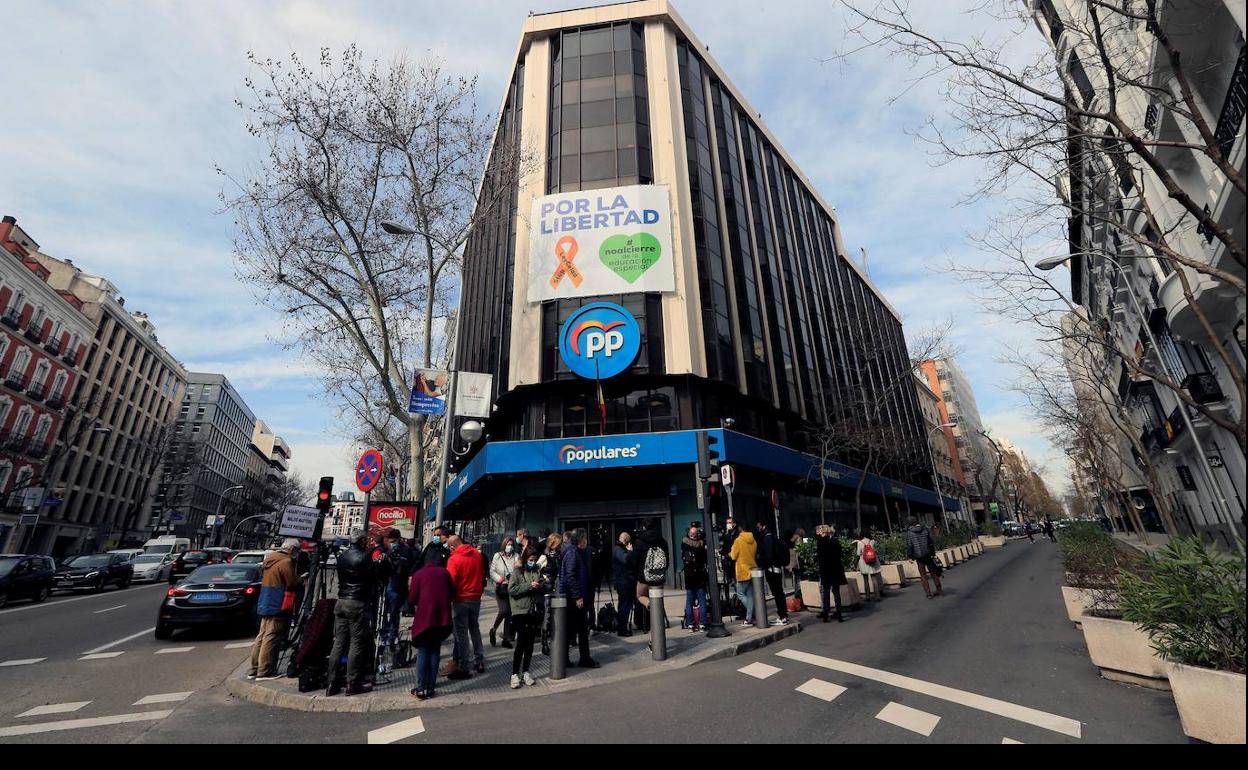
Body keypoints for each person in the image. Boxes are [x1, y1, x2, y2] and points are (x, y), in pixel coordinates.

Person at [327, 531, 379, 696]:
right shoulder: (363, 558)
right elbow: (372, 578)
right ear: (362, 541)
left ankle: (332, 682)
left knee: (339, 642)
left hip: (341, 601)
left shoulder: (342, 556)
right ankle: (352, 682)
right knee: (357, 642)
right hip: (356, 602)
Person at [249, 538, 304, 680]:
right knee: (271, 636)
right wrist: (302, 579)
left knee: (262, 635)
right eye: (297, 551)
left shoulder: (270, 558)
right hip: (278, 601)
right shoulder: (286, 562)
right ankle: (265, 671)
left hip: (266, 599)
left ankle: (254, 668)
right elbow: (291, 582)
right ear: (292, 550)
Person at [407, 559, 453, 700]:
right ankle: (431, 688)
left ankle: (420, 688)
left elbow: (412, 599)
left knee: (423, 651)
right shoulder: (445, 573)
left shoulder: (419, 574)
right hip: (441, 619)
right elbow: (452, 592)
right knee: (435, 651)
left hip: (424, 619)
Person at [446, 534, 486, 678]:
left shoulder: (454, 559)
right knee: (474, 628)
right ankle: (479, 660)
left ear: (452, 547)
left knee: (461, 634)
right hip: (475, 597)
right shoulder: (476, 554)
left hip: (460, 599)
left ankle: (464, 666)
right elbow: (481, 573)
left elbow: (451, 582)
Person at [507, 546, 547, 688]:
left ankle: (526, 671)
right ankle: (514, 674)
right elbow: (511, 590)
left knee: (530, 644)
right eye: (530, 559)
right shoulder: (517, 572)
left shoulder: (536, 570)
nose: (533, 562)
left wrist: (542, 584)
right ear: (525, 559)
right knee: (521, 642)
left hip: (532, 610)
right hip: (519, 611)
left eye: (535, 560)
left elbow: (540, 588)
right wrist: (529, 586)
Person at [560, 528, 598, 668]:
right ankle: (569, 659)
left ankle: (583, 658)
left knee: (579, 628)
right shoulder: (572, 553)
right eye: (585, 538)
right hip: (573, 598)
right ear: (580, 540)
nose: (586, 542)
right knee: (574, 628)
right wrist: (577, 596)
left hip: (575, 597)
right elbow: (570, 575)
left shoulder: (575, 552)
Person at [381, 529, 416, 644]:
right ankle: (385, 632)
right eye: (390, 541)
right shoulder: (388, 550)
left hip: (398, 585)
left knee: (394, 612)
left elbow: (409, 567)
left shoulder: (406, 550)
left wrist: (399, 561)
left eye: (393, 541)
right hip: (389, 582)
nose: (392, 543)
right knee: (385, 611)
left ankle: (392, 634)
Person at [634, 519, 669, 632]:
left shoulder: (640, 541)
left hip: (644, 578)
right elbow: (667, 561)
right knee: (658, 597)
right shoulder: (663, 541)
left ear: (644, 527)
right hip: (659, 578)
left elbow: (634, 560)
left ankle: (651, 605)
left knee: (639, 595)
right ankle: (657, 611)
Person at [755, 521, 790, 626]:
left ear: (764, 526)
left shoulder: (767, 539)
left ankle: (782, 616)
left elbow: (769, 556)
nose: (758, 528)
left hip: (772, 569)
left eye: (759, 526)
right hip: (776, 568)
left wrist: (764, 563)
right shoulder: (774, 538)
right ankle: (783, 615)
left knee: (777, 593)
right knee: (779, 593)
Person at [489, 537, 518, 649]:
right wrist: (498, 578)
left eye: (511, 544)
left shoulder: (516, 556)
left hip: (512, 587)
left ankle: (506, 638)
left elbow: (519, 570)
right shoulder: (497, 556)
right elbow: (492, 571)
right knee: (504, 610)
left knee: (509, 614)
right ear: (504, 545)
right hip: (501, 587)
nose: (509, 546)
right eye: (507, 544)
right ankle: (494, 629)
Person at [905, 517, 943, 599]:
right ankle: (939, 590)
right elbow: (931, 542)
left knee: (923, 575)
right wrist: (933, 553)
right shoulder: (925, 529)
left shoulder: (909, 533)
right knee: (933, 572)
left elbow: (909, 545)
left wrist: (910, 556)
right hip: (928, 554)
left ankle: (928, 593)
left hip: (919, 556)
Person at [681, 523, 709, 631]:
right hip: (700, 575)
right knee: (702, 601)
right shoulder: (701, 546)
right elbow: (704, 557)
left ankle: (690, 624)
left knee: (689, 601)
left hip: (689, 576)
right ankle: (702, 623)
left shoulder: (684, 544)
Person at [814, 526, 846, 622]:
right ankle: (839, 614)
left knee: (826, 592)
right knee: (836, 592)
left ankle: (825, 615)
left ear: (823, 532)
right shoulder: (834, 541)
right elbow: (840, 554)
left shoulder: (820, 542)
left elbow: (819, 557)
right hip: (835, 569)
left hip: (825, 570)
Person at [728, 526, 758, 626]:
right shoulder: (753, 541)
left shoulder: (738, 541)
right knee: (750, 595)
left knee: (740, 594)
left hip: (742, 571)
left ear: (740, 530)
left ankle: (753, 614)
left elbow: (733, 556)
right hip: (752, 569)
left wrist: (730, 550)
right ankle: (750, 618)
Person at [612, 531, 636, 636]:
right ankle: (622, 629)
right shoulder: (618, 549)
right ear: (626, 541)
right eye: (629, 541)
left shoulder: (619, 549)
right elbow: (626, 560)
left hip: (625, 581)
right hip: (623, 581)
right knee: (624, 605)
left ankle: (623, 627)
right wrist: (630, 551)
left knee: (626, 605)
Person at [855, 531, 885, 602]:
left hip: (864, 562)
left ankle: (867, 596)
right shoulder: (872, 541)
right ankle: (877, 596)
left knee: (865, 580)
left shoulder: (860, 542)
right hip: (873, 561)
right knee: (874, 579)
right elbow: (876, 550)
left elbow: (858, 553)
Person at [719, 516, 741, 613]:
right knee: (734, 584)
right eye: (727, 522)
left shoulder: (738, 535)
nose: (728, 524)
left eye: (730, 522)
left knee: (739, 586)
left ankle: (741, 606)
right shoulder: (727, 535)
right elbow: (724, 549)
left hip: (737, 563)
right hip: (729, 564)